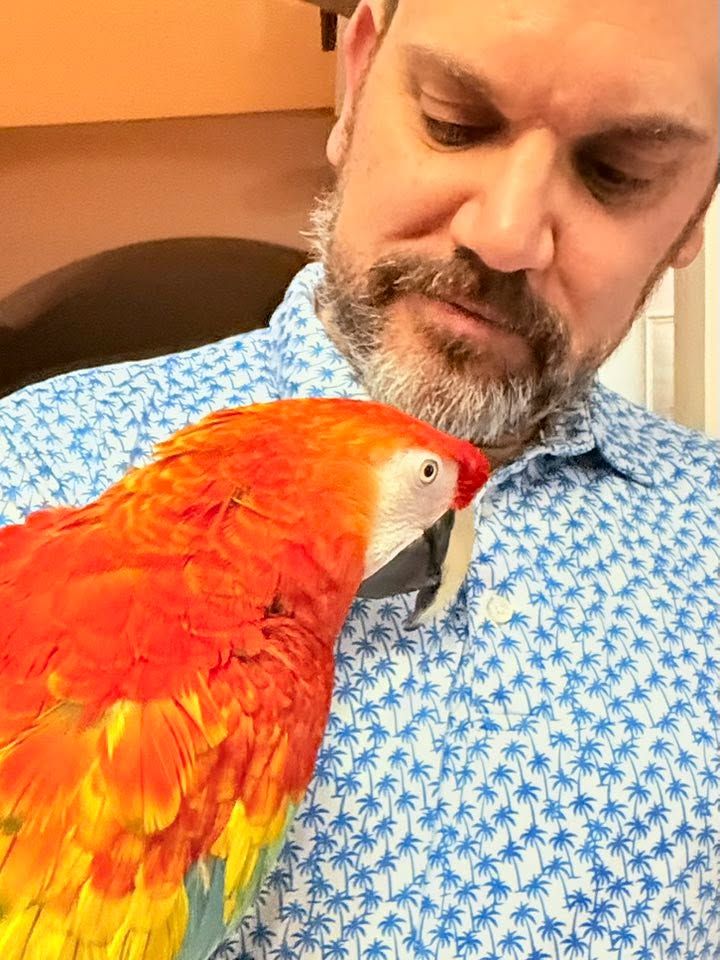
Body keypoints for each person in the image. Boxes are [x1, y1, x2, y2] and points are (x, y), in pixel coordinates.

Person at [1, 0, 718, 957]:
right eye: (455, 121)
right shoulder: (27, 464)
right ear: (357, 77)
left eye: (617, 174)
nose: (506, 234)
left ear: (695, 215)